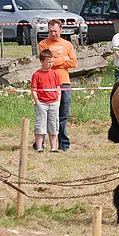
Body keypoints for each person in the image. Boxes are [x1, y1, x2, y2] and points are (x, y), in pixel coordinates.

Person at [38, 19, 77, 151]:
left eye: (55, 31)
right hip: (47, 83)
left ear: (61, 30)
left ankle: (64, 144)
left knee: (63, 114)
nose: (53, 34)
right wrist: (62, 59)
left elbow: (73, 63)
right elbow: (45, 62)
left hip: (64, 82)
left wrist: (55, 61)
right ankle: (40, 144)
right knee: (45, 115)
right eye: (50, 31)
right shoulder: (43, 44)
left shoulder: (67, 44)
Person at [31, 49, 61, 152]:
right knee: (40, 125)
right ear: (41, 61)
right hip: (42, 104)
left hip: (54, 103)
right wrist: (37, 102)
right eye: (48, 62)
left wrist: (58, 101)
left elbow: (58, 89)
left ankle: (53, 147)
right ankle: (39, 147)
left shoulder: (55, 74)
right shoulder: (36, 74)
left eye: (52, 61)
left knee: (54, 125)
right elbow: (34, 90)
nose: (50, 64)